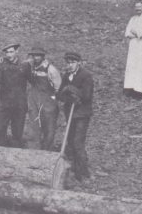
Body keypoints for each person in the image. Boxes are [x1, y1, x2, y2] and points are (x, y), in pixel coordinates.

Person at [58, 52, 94, 184]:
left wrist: (73, 90)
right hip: (70, 113)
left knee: (78, 142)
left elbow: (87, 96)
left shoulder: (86, 76)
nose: (70, 65)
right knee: (71, 141)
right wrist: (68, 95)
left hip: (82, 114)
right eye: (68, 62)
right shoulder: (66, 76)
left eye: (72, 62)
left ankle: (84, 173)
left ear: (79, 62)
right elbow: (60, 95)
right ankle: (73, 169)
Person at [0, 43, 29, 148]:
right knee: (0, 129)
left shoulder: (24, 65)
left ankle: (16, 154)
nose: (9, 55)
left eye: (11, 52)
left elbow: (33, 80)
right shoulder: (1, 64)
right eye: (7, 52)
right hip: (4, 102)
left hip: (19, 103)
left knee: (17, 131)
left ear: (17, 51)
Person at [27, 45, 62, 150]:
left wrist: (52, 100)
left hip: (48, 102)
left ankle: (47, 151)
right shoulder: (32, 66)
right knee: (34, 127)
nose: (36, 58)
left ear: (43, 56)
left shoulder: (50, 69)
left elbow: (58, 87)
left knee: (49, 128)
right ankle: (34, 152)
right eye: (34, 55)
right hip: (34, 101)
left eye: (38, 55)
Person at [123, 1, 142, 100]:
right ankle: (132, 89)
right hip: (133, 45)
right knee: (132, 66)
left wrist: (135, 32)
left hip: (141, 46)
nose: (138, 9)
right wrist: (134, 33)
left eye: (140, 7)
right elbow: (127, 32)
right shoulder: (132, 19)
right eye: (136, 7)